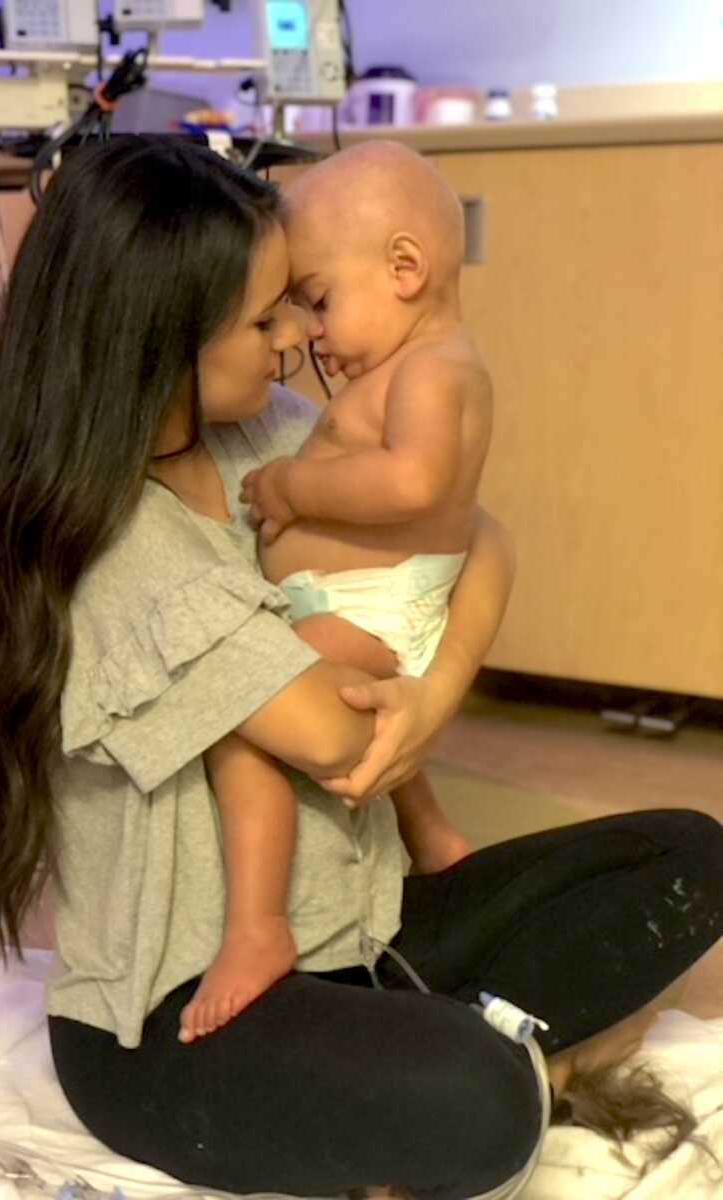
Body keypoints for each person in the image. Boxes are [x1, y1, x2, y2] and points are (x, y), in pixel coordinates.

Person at [0, 135, 723, 1200]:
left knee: (689, 856)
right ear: (161, 333)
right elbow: (337, 737)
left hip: (361, 925)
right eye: (266, 318)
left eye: (299, 306)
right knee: (477, 1105)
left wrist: (434, 693)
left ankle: (440, 1060)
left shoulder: (264, 438)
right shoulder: (115, 547)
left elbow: (478, 538)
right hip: (183, 1018)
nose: (297, 338)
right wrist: (402, 697)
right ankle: (501, 1070)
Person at [182, 142, 485, 1044]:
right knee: (265, 695)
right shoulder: (405, 369)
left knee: (241, 721)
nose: (309, 334)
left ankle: (256, 925)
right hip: (351, 600)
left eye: (316, 301)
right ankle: (432, 834)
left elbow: (417, 485)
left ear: (404, 268)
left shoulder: (436, 369)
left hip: (373, 608)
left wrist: (293, 490)